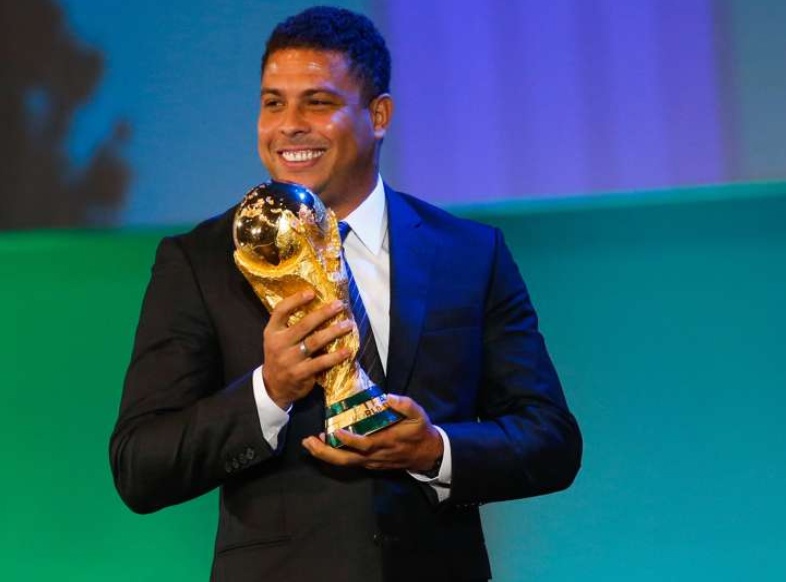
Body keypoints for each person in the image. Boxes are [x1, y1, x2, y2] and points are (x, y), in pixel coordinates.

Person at [110, 6, 581, 582]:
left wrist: (435, 450)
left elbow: (551, 440)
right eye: (273, 103)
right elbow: (139, 466)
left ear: (378, 115)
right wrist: (269, 391)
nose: (289, 125)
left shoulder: (469, 254)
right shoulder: (203, 261)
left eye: (318, 102)